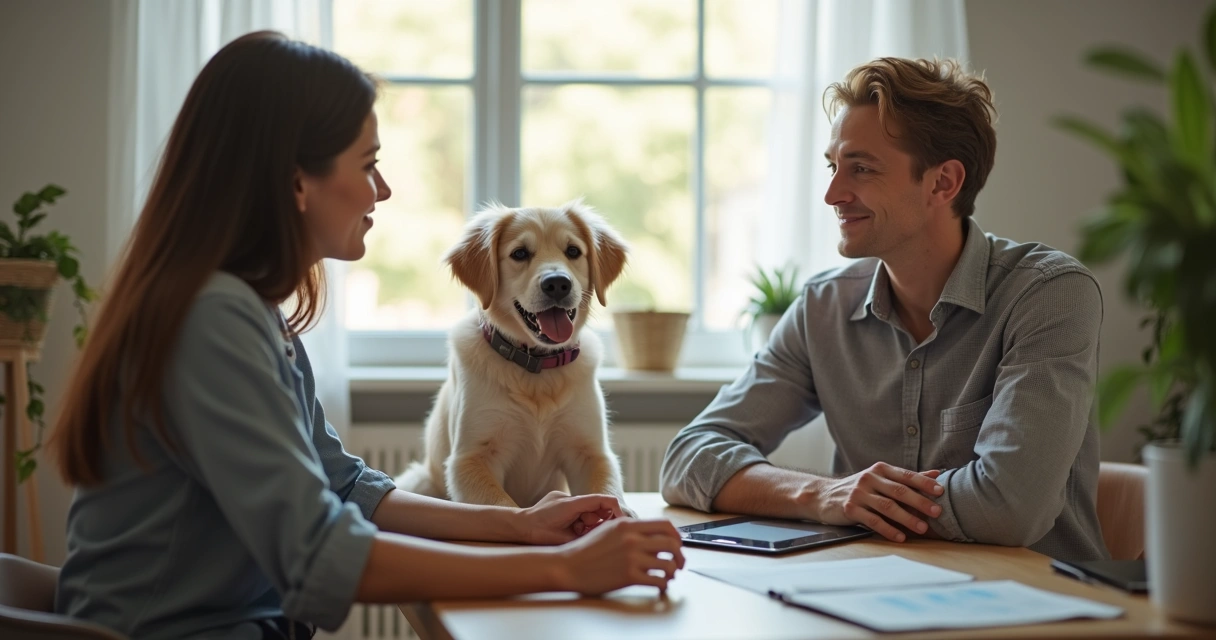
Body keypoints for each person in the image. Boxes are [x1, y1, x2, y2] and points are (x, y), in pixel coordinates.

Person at [49, 31, 684, 640]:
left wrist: (522, 528)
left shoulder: (253, 314)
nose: (383, 189)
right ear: (297, 181)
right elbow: (318, 554)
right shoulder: (211, 319)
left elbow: (346, 485)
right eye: (368, 164)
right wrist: (563, 568)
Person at [660, 57, 1107, 563]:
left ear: (943, 183)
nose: (832, 194)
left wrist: (869, 506)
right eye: (833, 166)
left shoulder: (1048, 294)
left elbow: (1010, 508)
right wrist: (824, 495)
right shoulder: (822, 307)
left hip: (1039, 598)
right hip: (868, 588)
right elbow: (689, 456)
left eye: (862, 168)